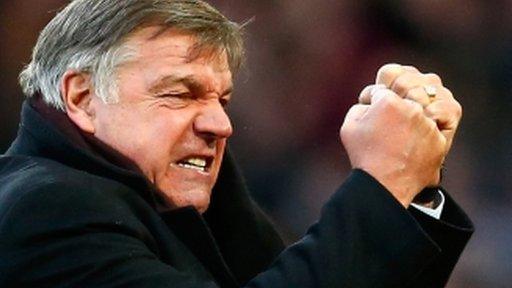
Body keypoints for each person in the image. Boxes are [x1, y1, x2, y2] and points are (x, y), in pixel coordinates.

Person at [0, 0, 473, 287]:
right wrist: (383, 182)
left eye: (221, 98)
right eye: (180, 93)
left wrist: (412, 184)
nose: (220, 123)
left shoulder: (184, 193)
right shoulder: (47, 209)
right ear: (81, 98)